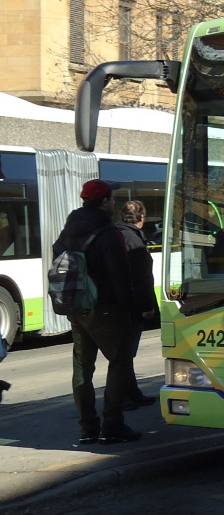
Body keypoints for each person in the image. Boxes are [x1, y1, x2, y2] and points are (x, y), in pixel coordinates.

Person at [53, 179, 143, 445]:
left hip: (77, 307)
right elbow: (120, 276)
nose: (113, 202)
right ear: (104, 202)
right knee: (120, 362)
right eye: (111, 199)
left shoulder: (68, 231)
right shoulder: (107, 233)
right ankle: (112, 425)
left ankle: (88, 428)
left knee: (82, 368)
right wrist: (130, 310)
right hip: (106, 309)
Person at [115, 200, 158, 410]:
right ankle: (122, 396)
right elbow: (142, 278)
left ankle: (132, 393)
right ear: (141, 218)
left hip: (117, 304)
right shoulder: (134, 240)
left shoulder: (116, 234)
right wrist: (147, 306)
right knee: (126, 353)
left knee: (125, 353)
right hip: (132, 306)